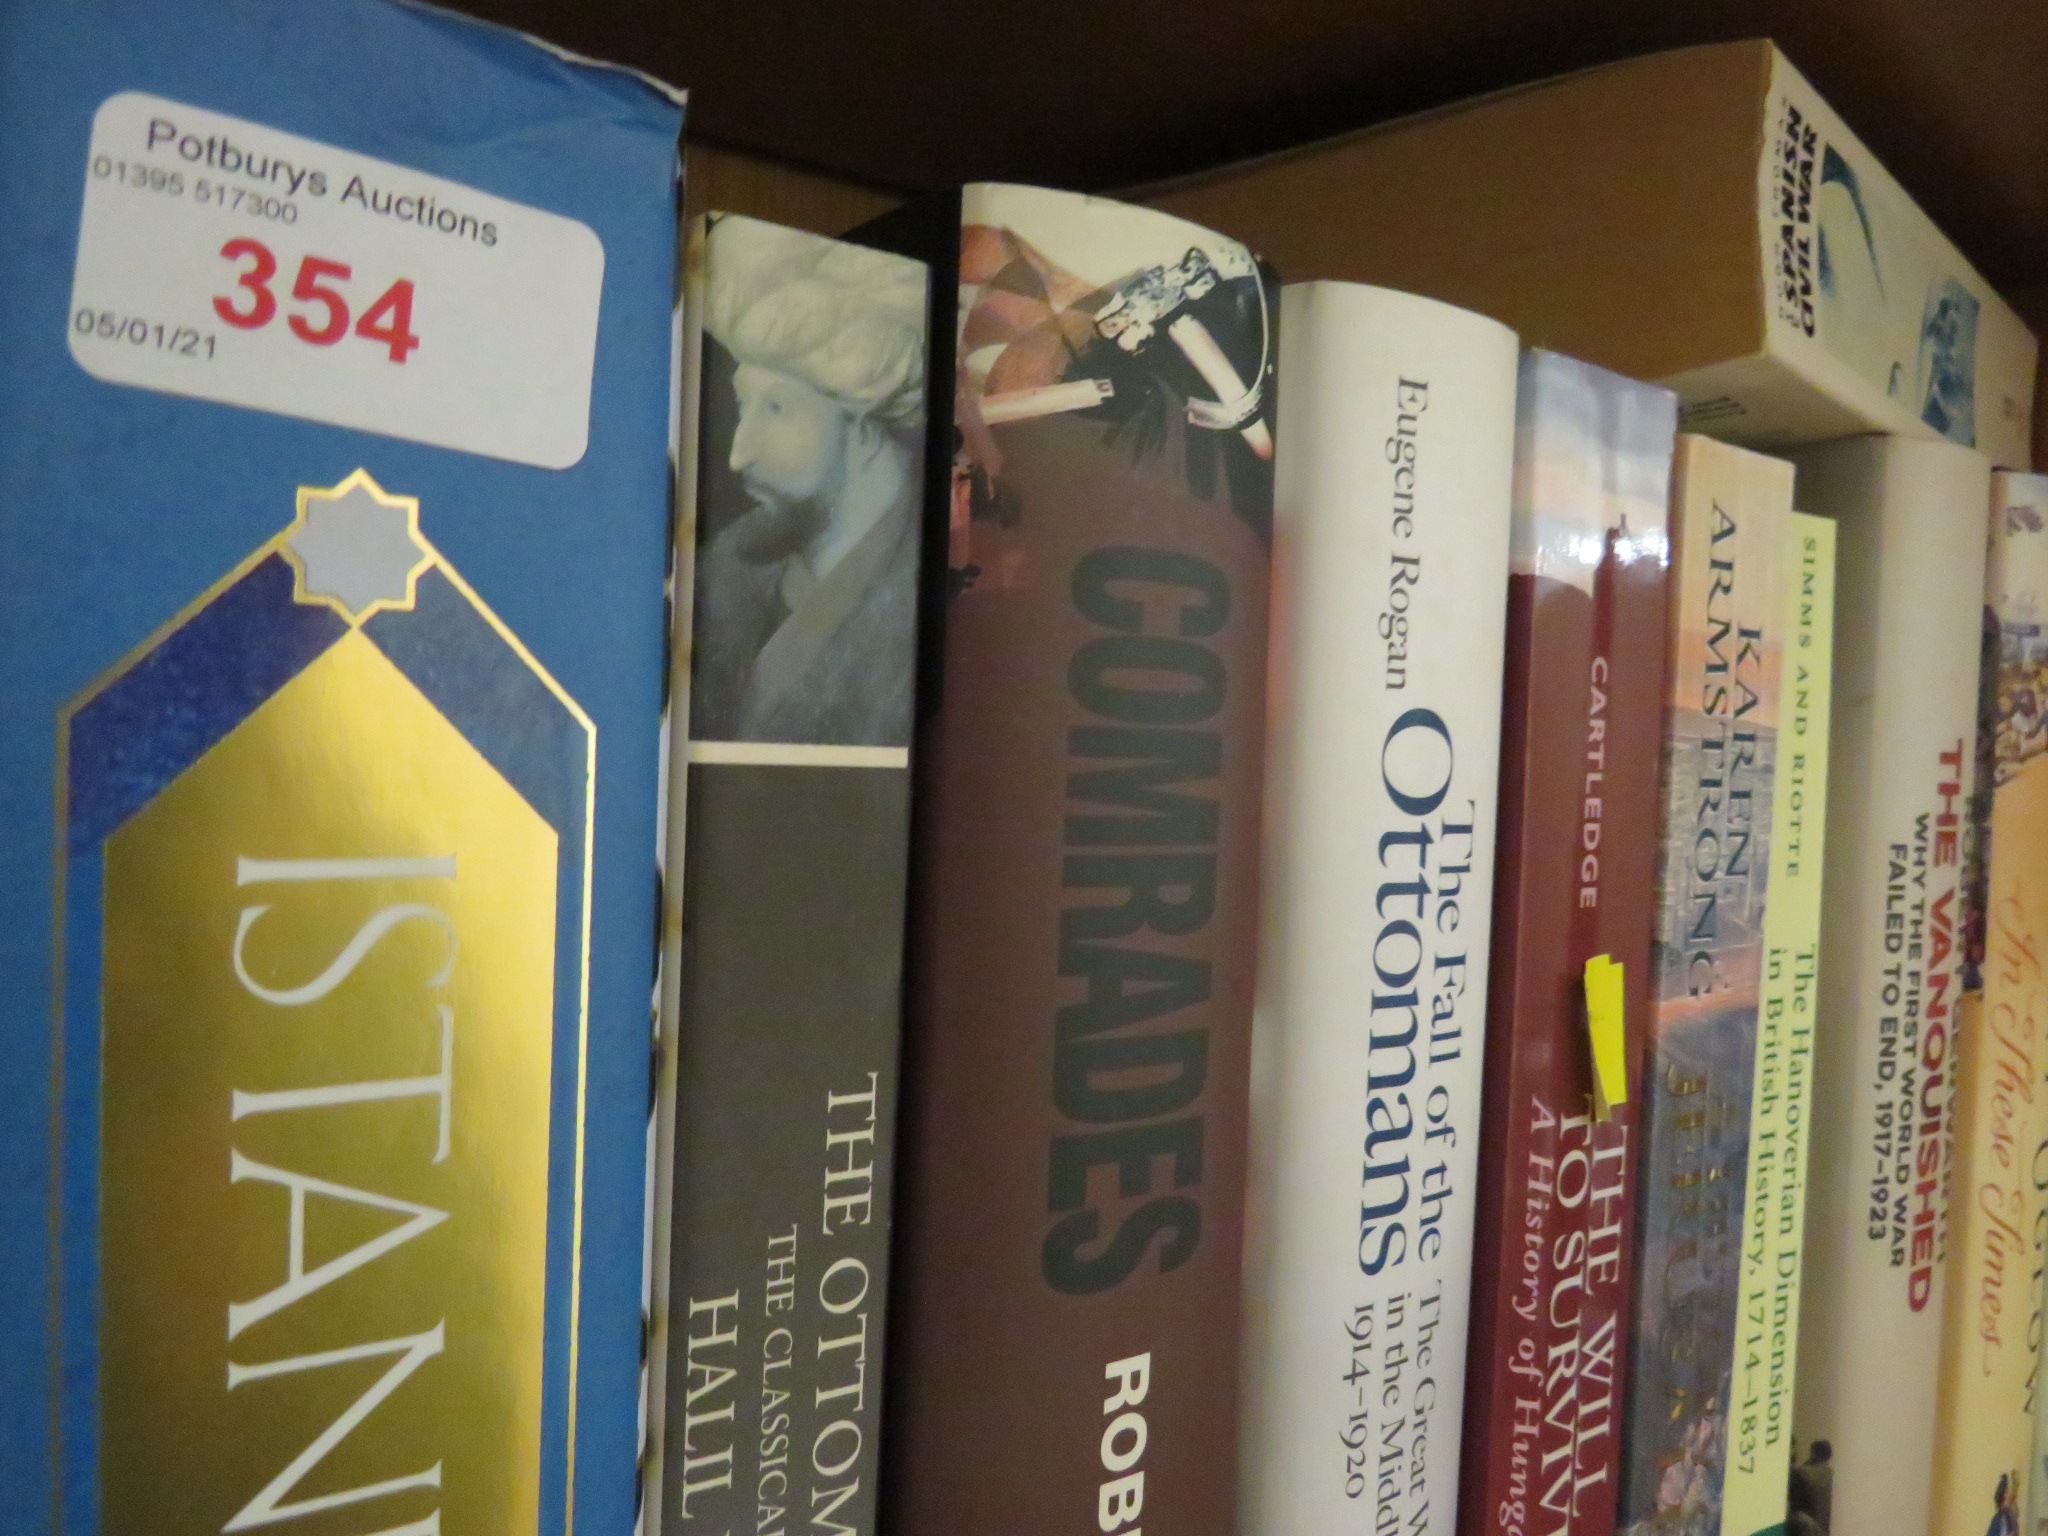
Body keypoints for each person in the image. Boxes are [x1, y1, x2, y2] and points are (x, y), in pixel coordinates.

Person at [688, 215, 927, 748]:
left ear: (863, 435)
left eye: (776, 409)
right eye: (744, 407)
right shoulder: (723, 569)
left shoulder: (933, 604)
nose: (737, 456)